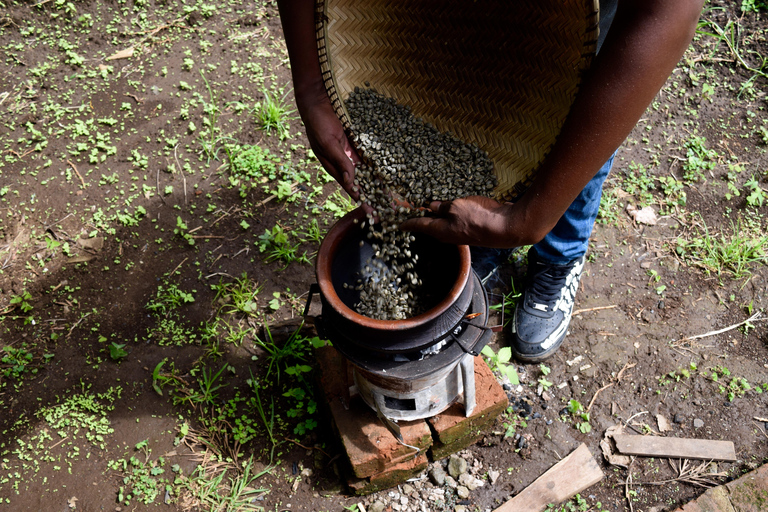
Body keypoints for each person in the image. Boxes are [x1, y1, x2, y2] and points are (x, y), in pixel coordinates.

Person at [277, 0, 704, 362]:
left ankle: (557, 259)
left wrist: (527, 219)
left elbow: (668, 9)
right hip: (432, 24)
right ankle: (478, 241)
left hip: (566, 25)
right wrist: (312, 87)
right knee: (471, 151)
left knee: (575, 126)